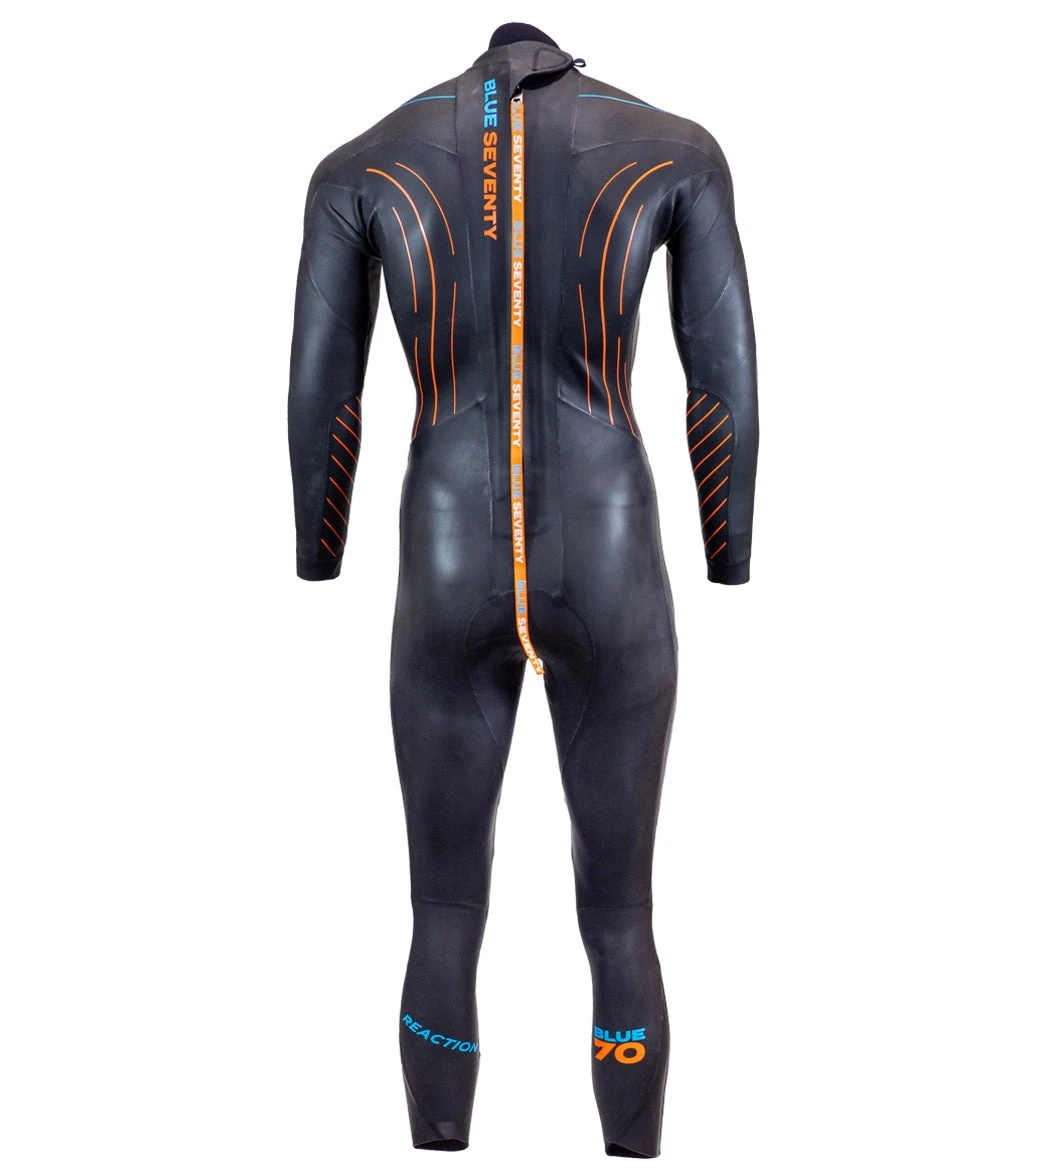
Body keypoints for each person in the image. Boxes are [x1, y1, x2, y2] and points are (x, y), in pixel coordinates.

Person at [286, 20, 759, 1157]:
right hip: (611, 557)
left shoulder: (362, 162)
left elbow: (321, 391)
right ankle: (631, 1154)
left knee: (444, 909)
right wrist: (728, 549)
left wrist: (319, 547)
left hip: (444, 553)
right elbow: (725, 379)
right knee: (621, 911)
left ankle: (438, 1144)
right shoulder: (676, 148)